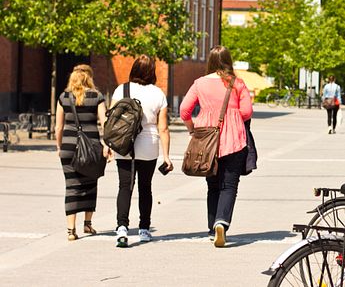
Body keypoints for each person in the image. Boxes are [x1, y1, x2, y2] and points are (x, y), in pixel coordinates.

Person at [180, 46, 253, 247]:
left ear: (210, 62)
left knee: (212, 186)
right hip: (234, 141)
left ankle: (213, 227)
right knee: (229, 185)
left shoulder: (199, 83)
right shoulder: (237, 83)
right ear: (229, 60)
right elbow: (247, 112)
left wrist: (193, 129)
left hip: (206, 141)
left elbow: (184, 110)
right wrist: (232, 114)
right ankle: (222, 222)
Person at [112, 55, 173, 247]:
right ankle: (144, 229)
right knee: (145, 187)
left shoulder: (122, 89)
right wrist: (167, 156)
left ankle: (122, 228)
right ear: (152, 72)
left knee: (124, 186)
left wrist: (108, 145)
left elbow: (112, 121)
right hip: (148, 146)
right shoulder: (158, 94)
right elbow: (163, 128)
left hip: (124, 145)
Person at [54, 64, 109, 241]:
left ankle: (71, 230)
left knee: (71, 187)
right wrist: (107, 145)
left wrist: (59, 146)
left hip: (69, 147)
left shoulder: (63, 97)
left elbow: (58, 127)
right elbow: (105, 123)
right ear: (89, 78)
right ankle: (87, 224)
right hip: (91, 148)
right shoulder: (97, 97)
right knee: (90, 184)